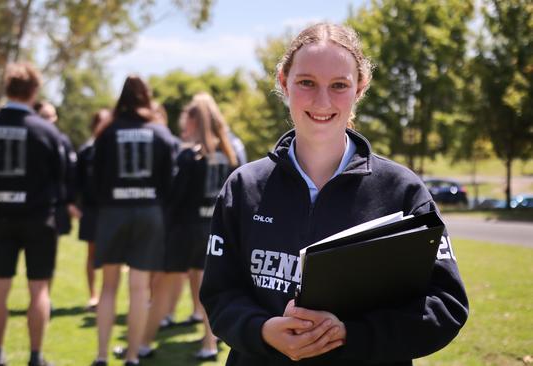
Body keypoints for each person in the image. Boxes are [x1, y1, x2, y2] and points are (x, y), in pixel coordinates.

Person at [199, 22, 469, 366]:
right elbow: (220, 296)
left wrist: (348, 334)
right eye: (306, 83)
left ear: (360, 88)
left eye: (339, 85)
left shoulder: (402, 190)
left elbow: (445, 306)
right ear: (284, 82)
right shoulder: (244, 187)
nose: (322, 101)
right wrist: (264, 330)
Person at [141, 92, 240, 361]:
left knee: (161, 289)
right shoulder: (232, 154)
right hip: (216, 232)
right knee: (211, 290)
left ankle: (143, 345)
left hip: (185, 231)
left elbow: (175, 199)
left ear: (194, 120)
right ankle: (209, 345)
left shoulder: (189, 157)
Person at [0, 62, 64, 366]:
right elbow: (62, 174)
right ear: (34, 91)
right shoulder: (45, 129)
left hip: (0, 216)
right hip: (39, 218)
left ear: (7, 88)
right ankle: (35, 356)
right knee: (39, 288)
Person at [91, 75, 177, 366]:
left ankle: (102, 355)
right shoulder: (161, 133)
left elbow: (95, 177)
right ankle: (131, 356)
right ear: (147, 97)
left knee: (108, 287)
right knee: (140, 289)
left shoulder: (107, 131)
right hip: (149, 213)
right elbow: (170, 182)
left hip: (113, 212)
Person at [76, 108, 112, 310]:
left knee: (111, 257)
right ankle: (93, 295)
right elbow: (77, 181)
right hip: (91, 209)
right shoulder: (86, 150)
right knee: (92, 253)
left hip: (111, 210)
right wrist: (75, 205)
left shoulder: (112, 148)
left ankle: (107, 297)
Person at [34, 100, 81, 236]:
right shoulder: (31, 137)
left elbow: (71, 172)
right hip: (34, 202)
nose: (48, 120)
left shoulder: (63, 140)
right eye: (44, 116)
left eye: (50, 116)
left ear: (55, 118)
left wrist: (70, 200)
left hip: (57, 202)